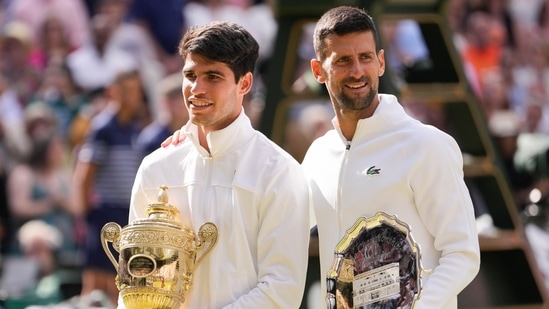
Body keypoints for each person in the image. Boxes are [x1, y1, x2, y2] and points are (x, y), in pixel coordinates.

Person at [164, 6, 481, 308]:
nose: (357, 70)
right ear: (318, 70)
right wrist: (201, 139)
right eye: (343, 60)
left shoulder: (427, 145)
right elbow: (265, 222)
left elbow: (463, 255)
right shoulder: (319, 154)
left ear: (381, 63)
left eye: (365, 57)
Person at [125, 21, 310, 308]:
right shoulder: (156, 167)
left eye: (213, 76)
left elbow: (281, 289)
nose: (196, 88)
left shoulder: (278, 171)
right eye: (190, 75)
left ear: (244, 83)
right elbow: (136, 285)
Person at [73, 69, 146, 306]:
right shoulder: (102, 128)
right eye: (126, 91)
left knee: (122, 285)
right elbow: (84, 176)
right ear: (112, 92)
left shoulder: (135, 129)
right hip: (104, 216)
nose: (131, 97)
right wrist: (86, 216)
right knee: (96, 287)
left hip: (127, 217)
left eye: (135, 91)